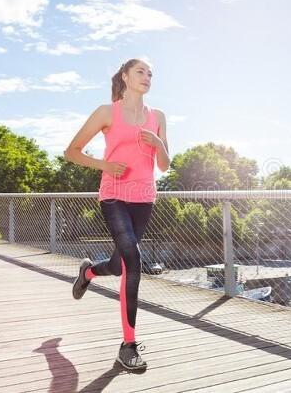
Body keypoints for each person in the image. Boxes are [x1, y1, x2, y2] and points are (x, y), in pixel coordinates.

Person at [64, 58, 170, 370]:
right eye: (141, 71)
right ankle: (128, 345)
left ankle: (88, 272)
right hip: (114, 196)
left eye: (151, 73)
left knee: (119, 265)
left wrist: (159, 142)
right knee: (133, 261)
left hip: (144, 198)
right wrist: (105, 166)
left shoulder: (158, 116)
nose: (147, 77)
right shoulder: (106, 112)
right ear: (125, 76)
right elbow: (72, 151)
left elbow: (164, 164)